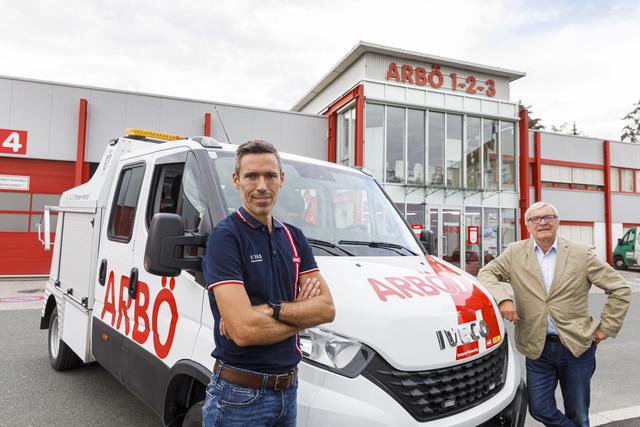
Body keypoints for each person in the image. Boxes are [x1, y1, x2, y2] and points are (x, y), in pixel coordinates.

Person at [201, 140, 335, 426]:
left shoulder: (294, 237)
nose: (262, 185)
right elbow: (244, 331)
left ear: (281, 179)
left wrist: (266, 310)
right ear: (236, 180)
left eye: (270, 175)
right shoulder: (225, 238)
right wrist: (301, 313)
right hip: (239, 396)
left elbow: (326, 309)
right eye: (251, 176)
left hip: (289, 391)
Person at [477, 201, 631, 427]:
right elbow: (486, 273)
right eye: (535, 219)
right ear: (527, 225)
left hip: (577, 347)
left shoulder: (581, 253)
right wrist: (504, 299)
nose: (542, 222)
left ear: (557, 222)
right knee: (539, 409)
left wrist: (605, 328)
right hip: (538, 349)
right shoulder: (515, 253)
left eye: (548, 217)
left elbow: (620, 288)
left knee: (578, 413)